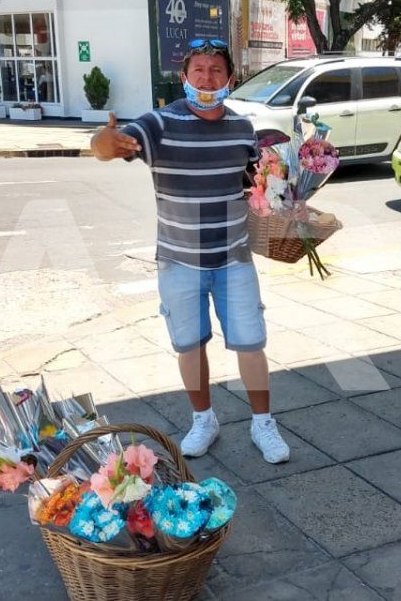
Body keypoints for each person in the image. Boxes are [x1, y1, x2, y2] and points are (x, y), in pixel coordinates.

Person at [89, 38, 291, 464]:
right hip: (179, 260)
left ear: (230, 79)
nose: (207, 78)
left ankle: (263, 423)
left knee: (251, 342)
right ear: (184, 77)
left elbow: (258, 187)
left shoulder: (241, 129)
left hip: (234, 256)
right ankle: (204, 419)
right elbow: (105, 146)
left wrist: (285, 198)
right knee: (189, 346)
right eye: (198, 70)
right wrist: (107, 141)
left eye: (216, 70)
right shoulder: (159, 124)